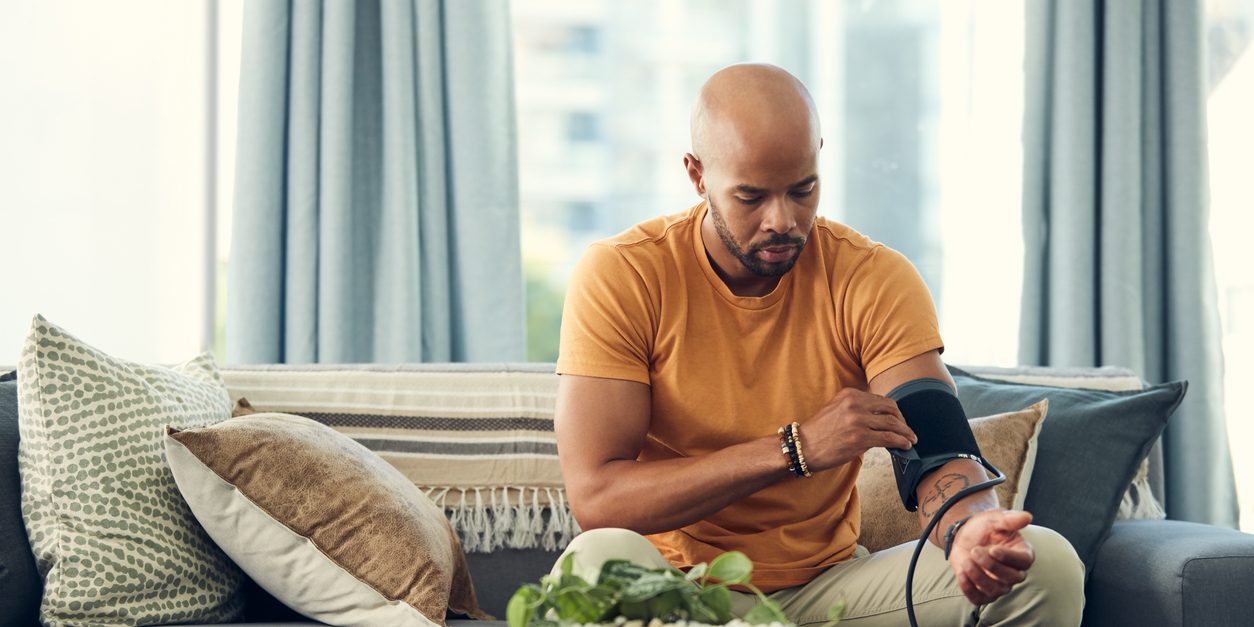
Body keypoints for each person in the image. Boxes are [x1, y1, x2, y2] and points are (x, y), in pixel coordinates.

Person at [553, 63, 1084, 626]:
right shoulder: (626, 274)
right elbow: (599, 498)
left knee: (1047, 565)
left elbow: (935, 439)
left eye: (802, 189)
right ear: (697, 174)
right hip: (678, 595)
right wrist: (795, 448)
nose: (783, 220)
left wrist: (970, 525)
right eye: (751, 197)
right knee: (597, 562)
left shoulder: (871, 277)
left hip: (830, 592)